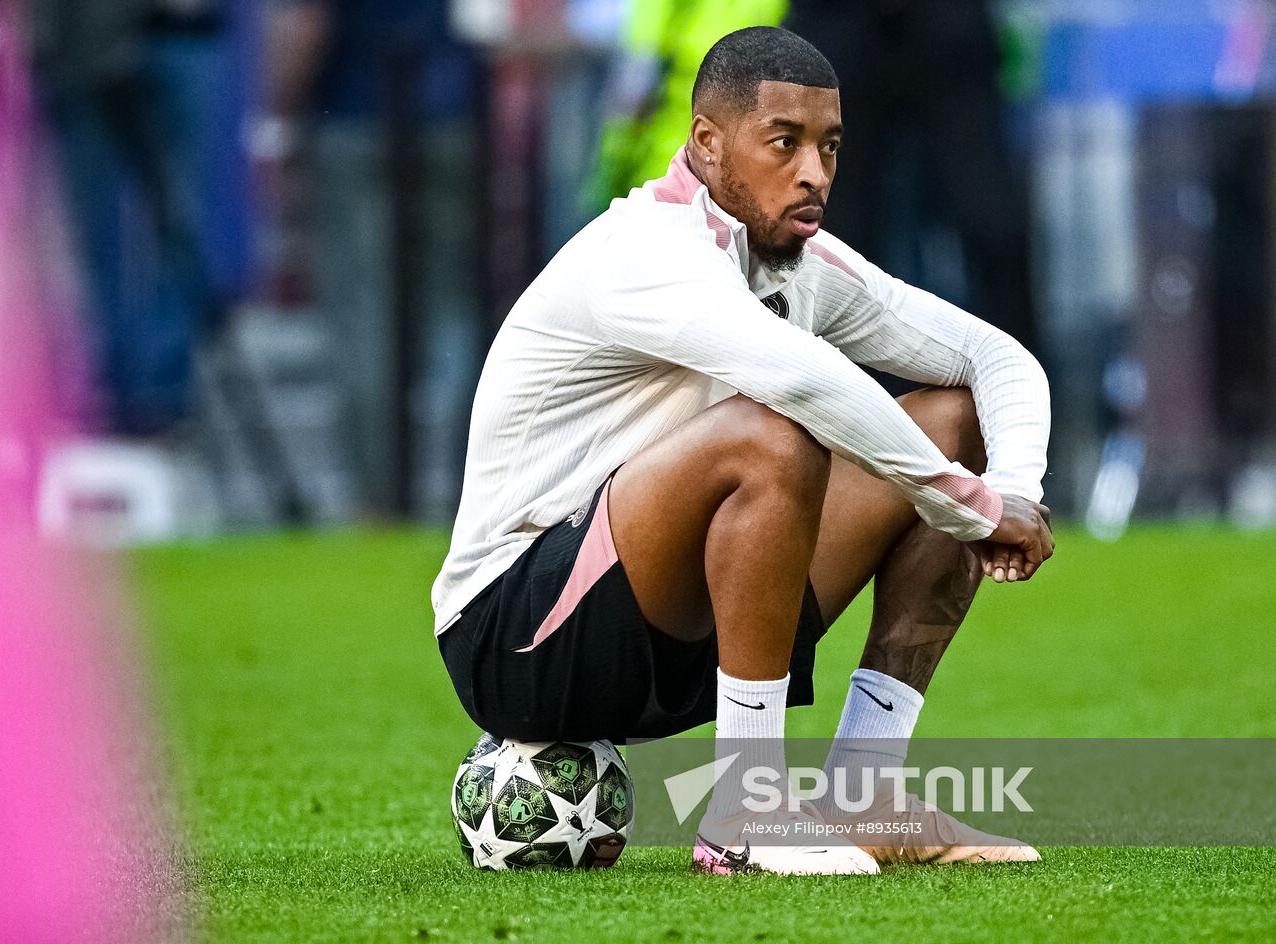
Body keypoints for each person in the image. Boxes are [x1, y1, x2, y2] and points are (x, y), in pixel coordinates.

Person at [433, 27, 1053, 876]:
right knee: (770, 436)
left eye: (830, 146)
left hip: (673, 626)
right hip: (514, 638)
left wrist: (1014, 484)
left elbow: (997, 359)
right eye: (784, 143)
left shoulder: (798, 259)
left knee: (953, 417)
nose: (815, 174)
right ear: (707, 145)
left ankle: (863, 792)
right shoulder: (645, 252)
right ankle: (745, 816)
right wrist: (975, 508)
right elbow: (799, 381)